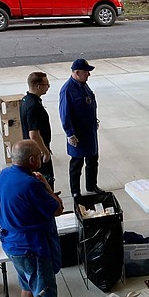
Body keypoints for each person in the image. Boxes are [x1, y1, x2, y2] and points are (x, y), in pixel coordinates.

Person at [0, 140, 69, 297]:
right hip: (32, 247)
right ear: (32, 160)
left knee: (27, 284)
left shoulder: (4, 175)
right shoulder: (32, 185)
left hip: (12, 244)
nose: (42, 159)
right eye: (39, 155)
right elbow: (57, 208)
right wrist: (46, 184)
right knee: (44, 295)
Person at [59, 58, 103, 197]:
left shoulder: (84, 85)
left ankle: (91, 185)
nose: (88, 75)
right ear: (77, 72)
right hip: (77, 134)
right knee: (77, 163)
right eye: (86, 72)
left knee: (92, 160)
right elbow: (65, 113)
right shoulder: (67, 90)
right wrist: (69, 133)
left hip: (89, 132)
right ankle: (75, 191)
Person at [20, 71, 54, 188]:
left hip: (33, 150)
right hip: (38, 152)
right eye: (47, 85)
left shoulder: (25, 100)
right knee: (46, 182)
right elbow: (34, 134)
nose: (48, 87)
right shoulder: (34, 106)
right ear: (38, 86)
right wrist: (45, 152)